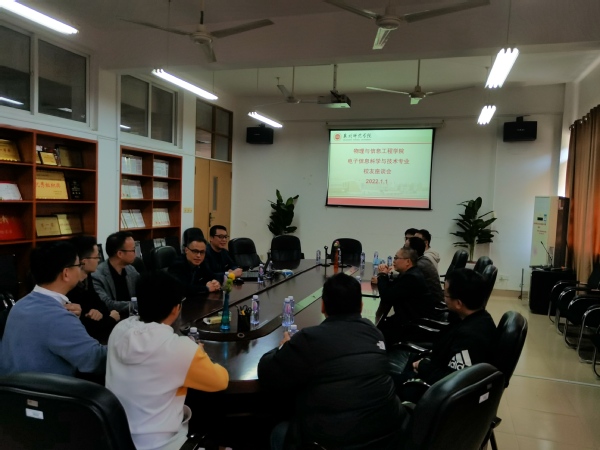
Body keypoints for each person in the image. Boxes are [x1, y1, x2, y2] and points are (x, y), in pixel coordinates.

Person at [258, 273, 407, 450]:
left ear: (323, 306)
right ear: (361, 306)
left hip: (331, 443)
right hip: (385, 438)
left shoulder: (309, 339)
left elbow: (266, 373)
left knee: (279, 432)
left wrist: (283, 347)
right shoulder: (375, 332)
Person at [106, 270, 229, 450]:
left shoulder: (119, 330)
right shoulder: (179, 348)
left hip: (117, 438)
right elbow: (221, 381)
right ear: (176, 308)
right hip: (166, 444)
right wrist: (198, 352)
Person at [0, 242, 106, 376]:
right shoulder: (59, 317)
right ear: (66, 273)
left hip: (14, 386)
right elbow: (95, 360)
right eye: (79, 265)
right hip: (49, 388)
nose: (80, 269)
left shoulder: (20, 305)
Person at [393, 268, 496, 387]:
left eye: (446, 294)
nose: (444, 297)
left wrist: (422, 366)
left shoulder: (470, 338)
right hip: (435, 364)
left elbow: (454, 381)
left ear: (458, 303)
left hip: (430, 389)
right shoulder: (475, 317)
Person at [375, 247, 435, 344]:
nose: (394, 261)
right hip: (407, 320)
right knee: (379, 326)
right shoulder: (411, 273)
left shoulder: (411, 277)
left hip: (412, 327)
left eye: (396, 258)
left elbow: (387, 296)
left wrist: (382, 275)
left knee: (374, 333)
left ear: (407, 261)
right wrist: (384, 278)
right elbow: (393, 289)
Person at [67, 235, 120, 342]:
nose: (99, 261)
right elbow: (85, 326)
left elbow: (102, 307)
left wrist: (98, 312)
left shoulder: (87, 277)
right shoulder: (68, 288)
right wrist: (111, 319)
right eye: (96, 257)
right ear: (84, 261)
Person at [92, 231, 140, 315]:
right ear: (120, 254)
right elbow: (107, 304)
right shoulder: (97, 275)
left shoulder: (131, 270)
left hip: (134, 317)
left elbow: (143, 291)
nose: (135, 254)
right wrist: (136, 305)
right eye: (133, 250)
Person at [406, 236, 444, 305]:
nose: (403, 250)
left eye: (405, 248)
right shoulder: (423, 260)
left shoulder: (419, 265)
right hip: (431, 301)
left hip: (432, 305)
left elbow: (405, 278)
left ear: (413, 251)